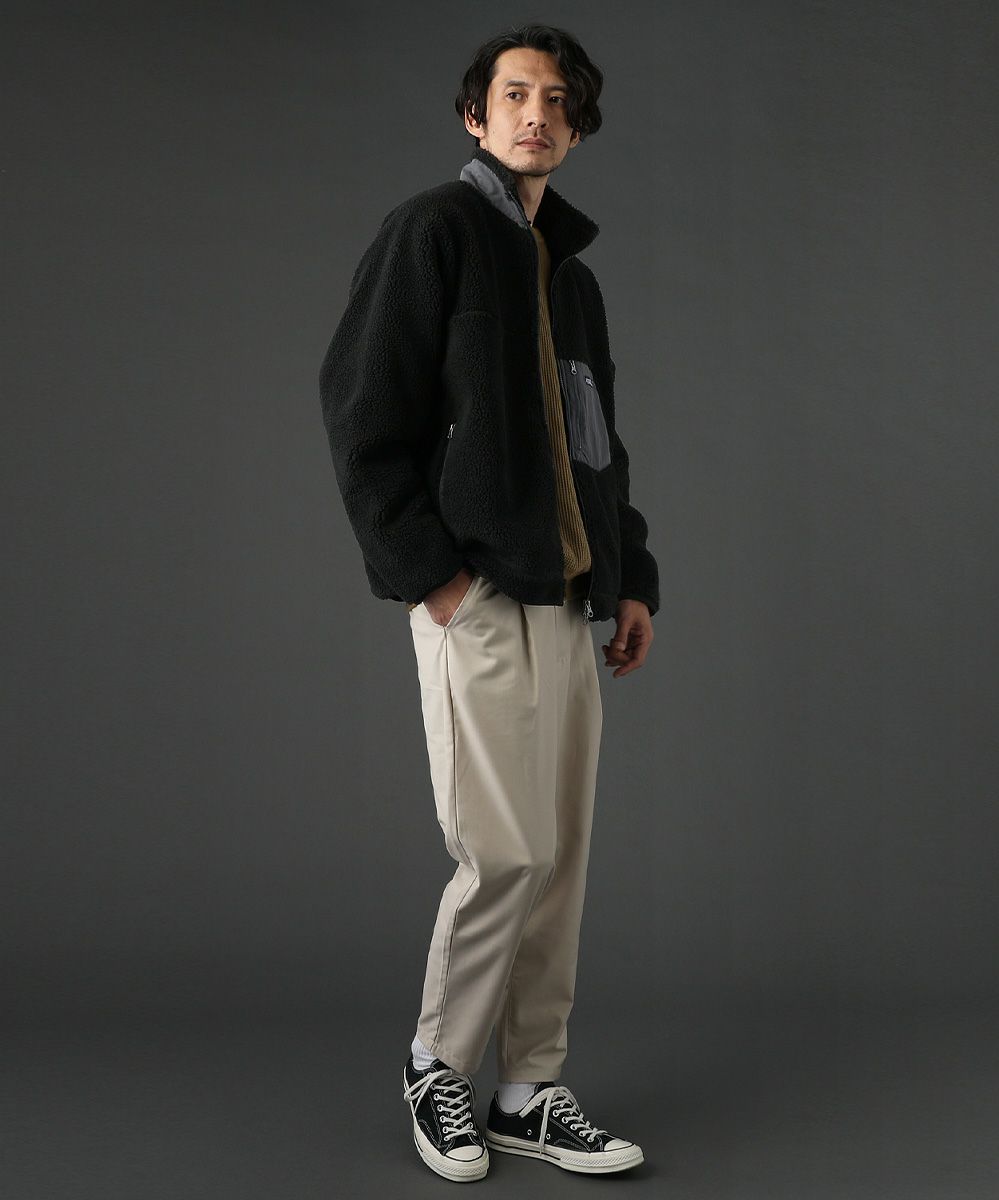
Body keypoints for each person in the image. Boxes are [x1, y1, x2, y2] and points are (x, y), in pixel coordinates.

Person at [318, 23, 658, 1182]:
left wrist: (630, 579)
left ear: (576, 127)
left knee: (557, 861)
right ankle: (438, 1064)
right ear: (475, 114)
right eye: (514, 95)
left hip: (568, 602)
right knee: (503, 853)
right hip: (476, 597)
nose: (535, 116)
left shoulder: (572, 280)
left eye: (556, 101)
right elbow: (361, 418)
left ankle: (529, 1089)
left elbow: (597, 450)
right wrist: (435, 579)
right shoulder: (432, 234)